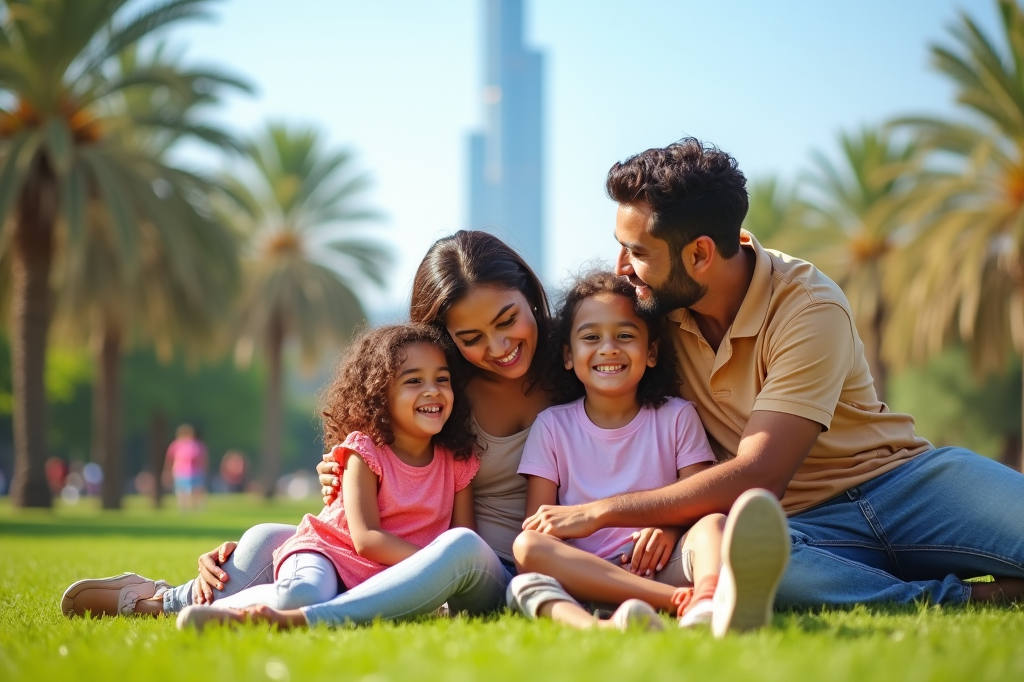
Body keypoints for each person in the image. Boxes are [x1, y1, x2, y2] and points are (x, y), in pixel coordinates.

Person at [523, 138, 1024, 607]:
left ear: (699, 254)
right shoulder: (650, 313)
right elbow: (563, 350)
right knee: (745, 557)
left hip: (904, 486)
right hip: (792, 527)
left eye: (638, 252)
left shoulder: (808, 306)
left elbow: (761, 472)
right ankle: (958, 599)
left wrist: (603, 510)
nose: (624, 268)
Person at [60, 232, 560, 624]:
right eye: (470, 337)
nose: (496, 346)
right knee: (266, 539)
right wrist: (339, 475)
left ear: (528, 292)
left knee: (455, 548)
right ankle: (159, 600)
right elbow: (367, 500)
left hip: (489, 566)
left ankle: (302, 617)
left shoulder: (576, 371)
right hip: (406, 554)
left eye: (507, 320)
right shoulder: (442, 395)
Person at [507, 270, 788, 635]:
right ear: (567, 355)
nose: (608, 348)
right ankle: (674, 603)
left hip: (662, 561)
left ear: (651, 352)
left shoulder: (676, 416)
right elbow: (540, 525)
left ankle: (707, 601)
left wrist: (669, 531)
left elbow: (702, 499)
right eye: (591, 337)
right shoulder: (551, 426)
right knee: (527, 548)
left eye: (625, 336)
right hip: (586, 574)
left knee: (713, 526)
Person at [171, 324, 484, 630]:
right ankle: (216, 611)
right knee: (303, 594)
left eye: (442, 379)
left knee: (316, 599)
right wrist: (435, 566)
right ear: (379, 393)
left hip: (386, 578)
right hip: (329, 554)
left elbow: (462, 538)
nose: (433, 390)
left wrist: (440, 572)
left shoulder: (457, 462)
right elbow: (366, 540)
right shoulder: (364, 452)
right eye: (414, 380)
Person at [162, 424, 208, 511]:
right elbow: (170, 460)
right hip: (181, 472)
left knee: (197, 490)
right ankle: (184, 508)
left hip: (196, 472)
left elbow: (203, 459)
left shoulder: (197, 445)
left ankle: (196, 508)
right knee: (182, 491)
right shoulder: (176, 445)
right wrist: (168, 472)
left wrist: (204, 470)